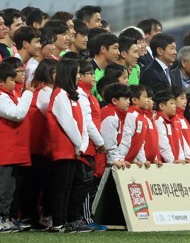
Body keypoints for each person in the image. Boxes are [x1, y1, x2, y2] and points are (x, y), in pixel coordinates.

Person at [0, 62, 34, 233]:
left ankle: (3, 219)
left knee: (9, 187)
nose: (15, 83)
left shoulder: (7, 95)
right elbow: (17, 114)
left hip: (12, 149)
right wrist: (28, 94)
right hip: (3, 148)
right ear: (0, 81)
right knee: (0, 186)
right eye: (11, 80)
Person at [46, 59, 93, 233]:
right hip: (64, 148)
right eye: (77, 72)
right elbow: (68, 123)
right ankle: (58, 222)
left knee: (67, 186)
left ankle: (63, 221)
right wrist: (79, 145)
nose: (79, 76)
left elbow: (81, 124)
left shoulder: (69, 94)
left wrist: (81, 145)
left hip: (73, 148)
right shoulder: (59, 94)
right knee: (62, 186)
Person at [21, 58, 58, 230]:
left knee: (34, 184)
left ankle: (33, 217)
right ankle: (43, 216)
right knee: (44, 184)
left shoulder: (40, 91)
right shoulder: (45, 93)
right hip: (42, 146)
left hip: (36, 145)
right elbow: (55, 115)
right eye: (55, 71)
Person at [76, 60, 107, 231]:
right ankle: (85, 218)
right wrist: (100, 142)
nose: (94, 77)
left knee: (87, 183)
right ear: (80, 76)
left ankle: (84, 218)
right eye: (90, 74)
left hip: (91, 144)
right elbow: (87, 123)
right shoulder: (81, 95)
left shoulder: (90, 96)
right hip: (87, 144)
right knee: (85, 184)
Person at [117, 85, 150, 167]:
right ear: (134, 100)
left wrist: (141, 160)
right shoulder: (131, 115)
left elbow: (139, 142)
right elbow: (125, 139)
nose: (148, 100)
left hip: (128, 161)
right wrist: (121, 159)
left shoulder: (143, 118)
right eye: (145, 97)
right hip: (121, 161)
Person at [100, 83, 131, 170]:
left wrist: (119, 159)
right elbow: (108, 143)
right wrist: (114, 160)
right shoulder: (111, 116)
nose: (128, 101)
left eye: (128, 98)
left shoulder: (118, 115)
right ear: (114, 101)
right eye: (125, 98)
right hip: (100, 163)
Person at [154, 90, 187, 164]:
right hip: (165, 164)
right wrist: (171, 160)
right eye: (172, 103)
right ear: (162, 106)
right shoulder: (159, 121)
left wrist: (181, 158)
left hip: (175, 162)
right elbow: (163, 145)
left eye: (175, 103)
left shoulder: (172, 122)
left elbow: (179, 142)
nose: (175, 106)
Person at [172, 87, 190, 162]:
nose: (185, 101)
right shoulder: (175, 118)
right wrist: (186, 157)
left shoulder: (184, 118)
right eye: (182, 98)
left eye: (186, 99)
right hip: (184, 160)